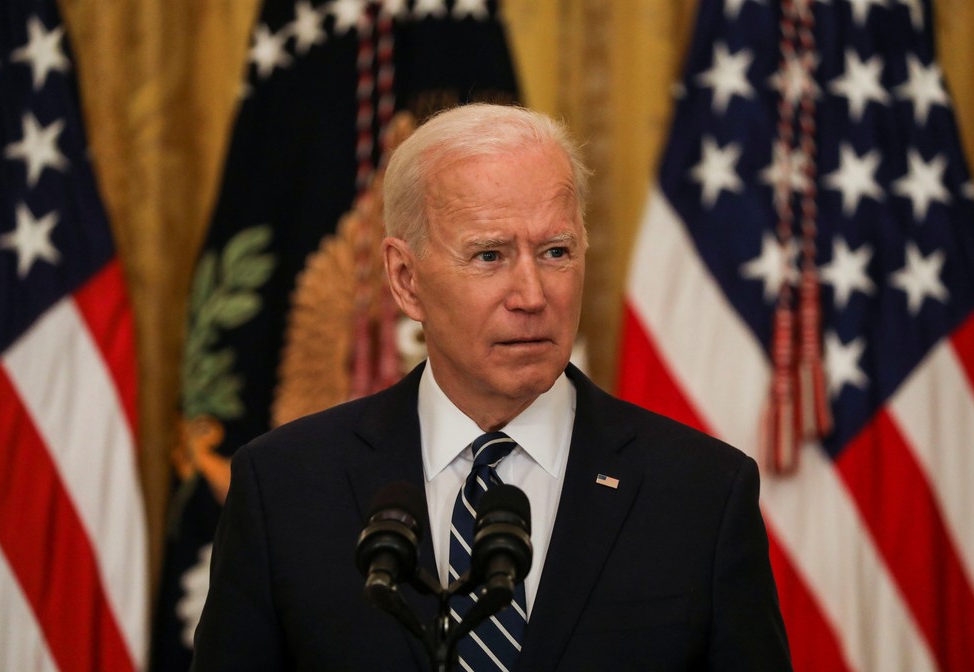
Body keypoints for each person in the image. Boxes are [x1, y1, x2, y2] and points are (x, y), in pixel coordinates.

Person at [190, 104, 792, 671]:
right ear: (404, 280)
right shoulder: (284, 489)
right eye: (489, 256)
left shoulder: (702, 495)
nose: (532, 296)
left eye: (556, 251)